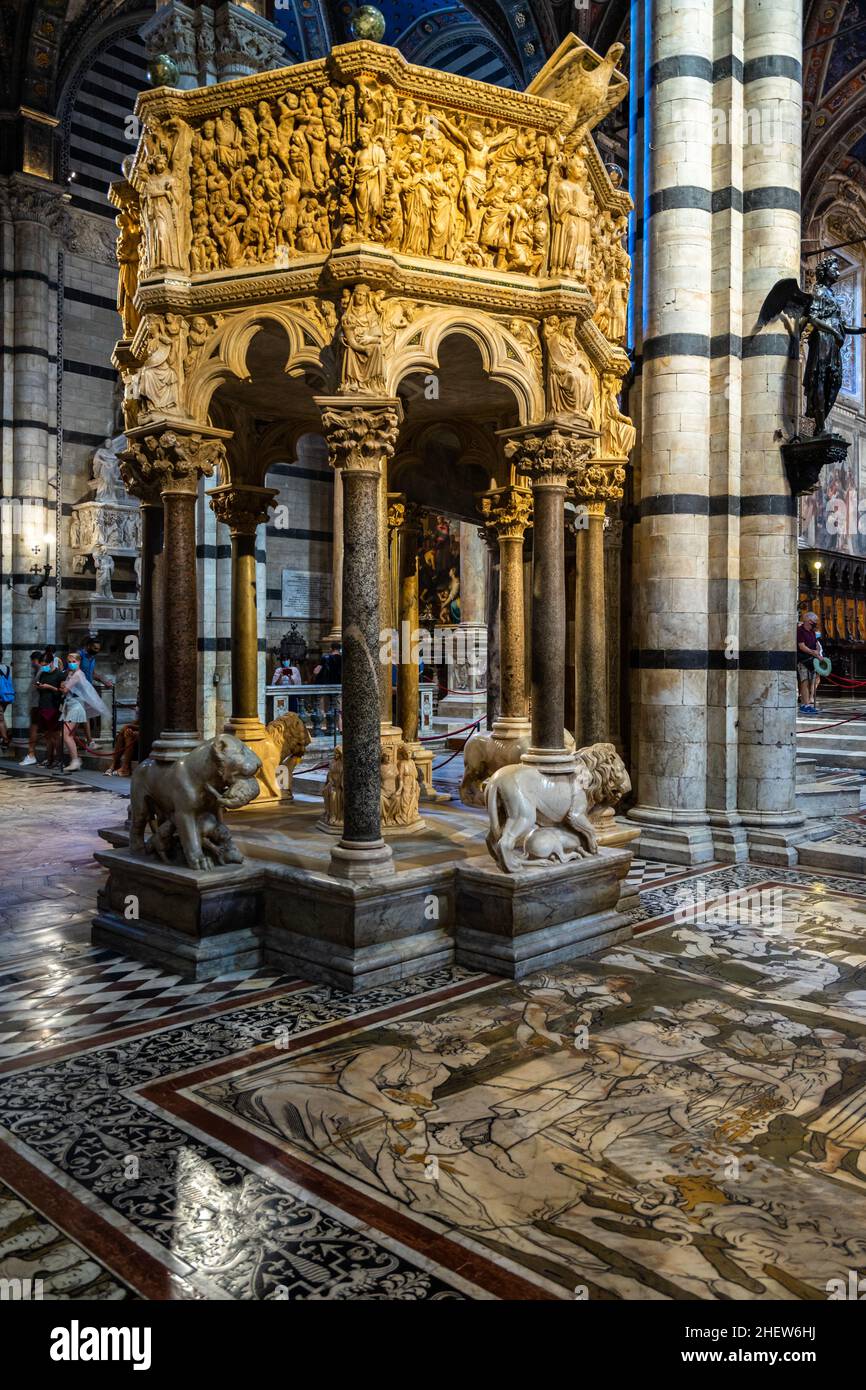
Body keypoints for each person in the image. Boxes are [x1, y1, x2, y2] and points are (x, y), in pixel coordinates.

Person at [59, 651, 110, 772]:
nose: (71, 664)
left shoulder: (77, 674)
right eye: (69, 662)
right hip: (70, 705)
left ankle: (75, 760)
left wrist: (62, 686)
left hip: (76, 706)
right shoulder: (71, 674)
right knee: (68, 735)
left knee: (66, 735)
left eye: (74, 662)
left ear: (79, 662)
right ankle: (75, 759)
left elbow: (65, 690)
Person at [33, 655, 64, 767]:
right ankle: (49, 758)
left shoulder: (59, 675)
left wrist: (49, 687)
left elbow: (61, 691)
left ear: (51, 663)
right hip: (43, 705)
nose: (44, 667)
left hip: (53, 706)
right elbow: (41, 688)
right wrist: (39, 686)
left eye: (45, 665)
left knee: (55, 735)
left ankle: (59, 759)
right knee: (47, 735)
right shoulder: (43, 674)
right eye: (42, 665)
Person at [20, 651, 46, 766]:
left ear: (35, 660)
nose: (31, 663)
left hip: (39, 705)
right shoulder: (38, 671)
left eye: (32, 661)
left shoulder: (42, 671)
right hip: (37, 704)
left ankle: (31, 754)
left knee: (35, 729)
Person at [797, 611, 822, 714]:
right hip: (803, 660)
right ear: (808, 620)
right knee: (804, 681)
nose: (815, 623)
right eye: (814, 621)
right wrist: (814, 653)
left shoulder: (812, 631)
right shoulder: (800, 631)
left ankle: (806, 704)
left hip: (811, 660)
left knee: (811, 681)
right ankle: (805, 705)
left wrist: (818, 653)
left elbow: (816, 644)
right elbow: (801, 646)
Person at [0, 655, 13, 753]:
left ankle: (5, 739)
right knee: (1, 718)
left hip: (0, 696)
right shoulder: (7, 668)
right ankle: (6, 734)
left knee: (0, 719)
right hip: (7, 696)